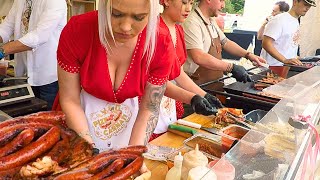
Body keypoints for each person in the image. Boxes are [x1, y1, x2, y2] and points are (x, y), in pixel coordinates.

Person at [57, 0, 180, 151]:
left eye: (139, 17)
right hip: (76, 121)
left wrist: (134, 153)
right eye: (116, 14)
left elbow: (149, 108)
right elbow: (70, 100)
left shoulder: (160, 41)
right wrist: (87, 148)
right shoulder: (78, 29)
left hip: (128, 126)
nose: (125, 27)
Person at [150, 0, 223, 140]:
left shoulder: (178, 30)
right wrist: (192, 98)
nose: (188, 8)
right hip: (152, 99)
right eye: (184, 2)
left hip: (170, 100)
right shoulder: (155, 30)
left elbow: (178, 73)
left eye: (191, 3)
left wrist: (204, 95)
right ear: (165, 1)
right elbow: (154, 81)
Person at [0, 0, 67, 110]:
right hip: (23, 76)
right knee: (26, 120)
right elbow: (6, 28)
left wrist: (3, 50)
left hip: (48, 78)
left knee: (47, 122)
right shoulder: (20, 1)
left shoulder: (55, 1)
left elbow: (39, 36)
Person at [182, 0, 267, 84]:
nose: (223, 5)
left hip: (213, 83)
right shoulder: (191, 22)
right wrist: (231, 67)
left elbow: (226, 42)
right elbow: (199, 56)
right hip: (196, 84)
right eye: (221, 1)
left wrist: (248, 55)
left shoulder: (211, 20)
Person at [261, 0, 316, 66]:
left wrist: (295, 57)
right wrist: (284, 60)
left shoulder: (295, 21)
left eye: (309, 6)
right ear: (295, 2)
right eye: (305, 4)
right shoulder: (279, 19)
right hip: (272, 67)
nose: (308, 8)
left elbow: (288, 45)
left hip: (286, 67)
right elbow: (266, 43)